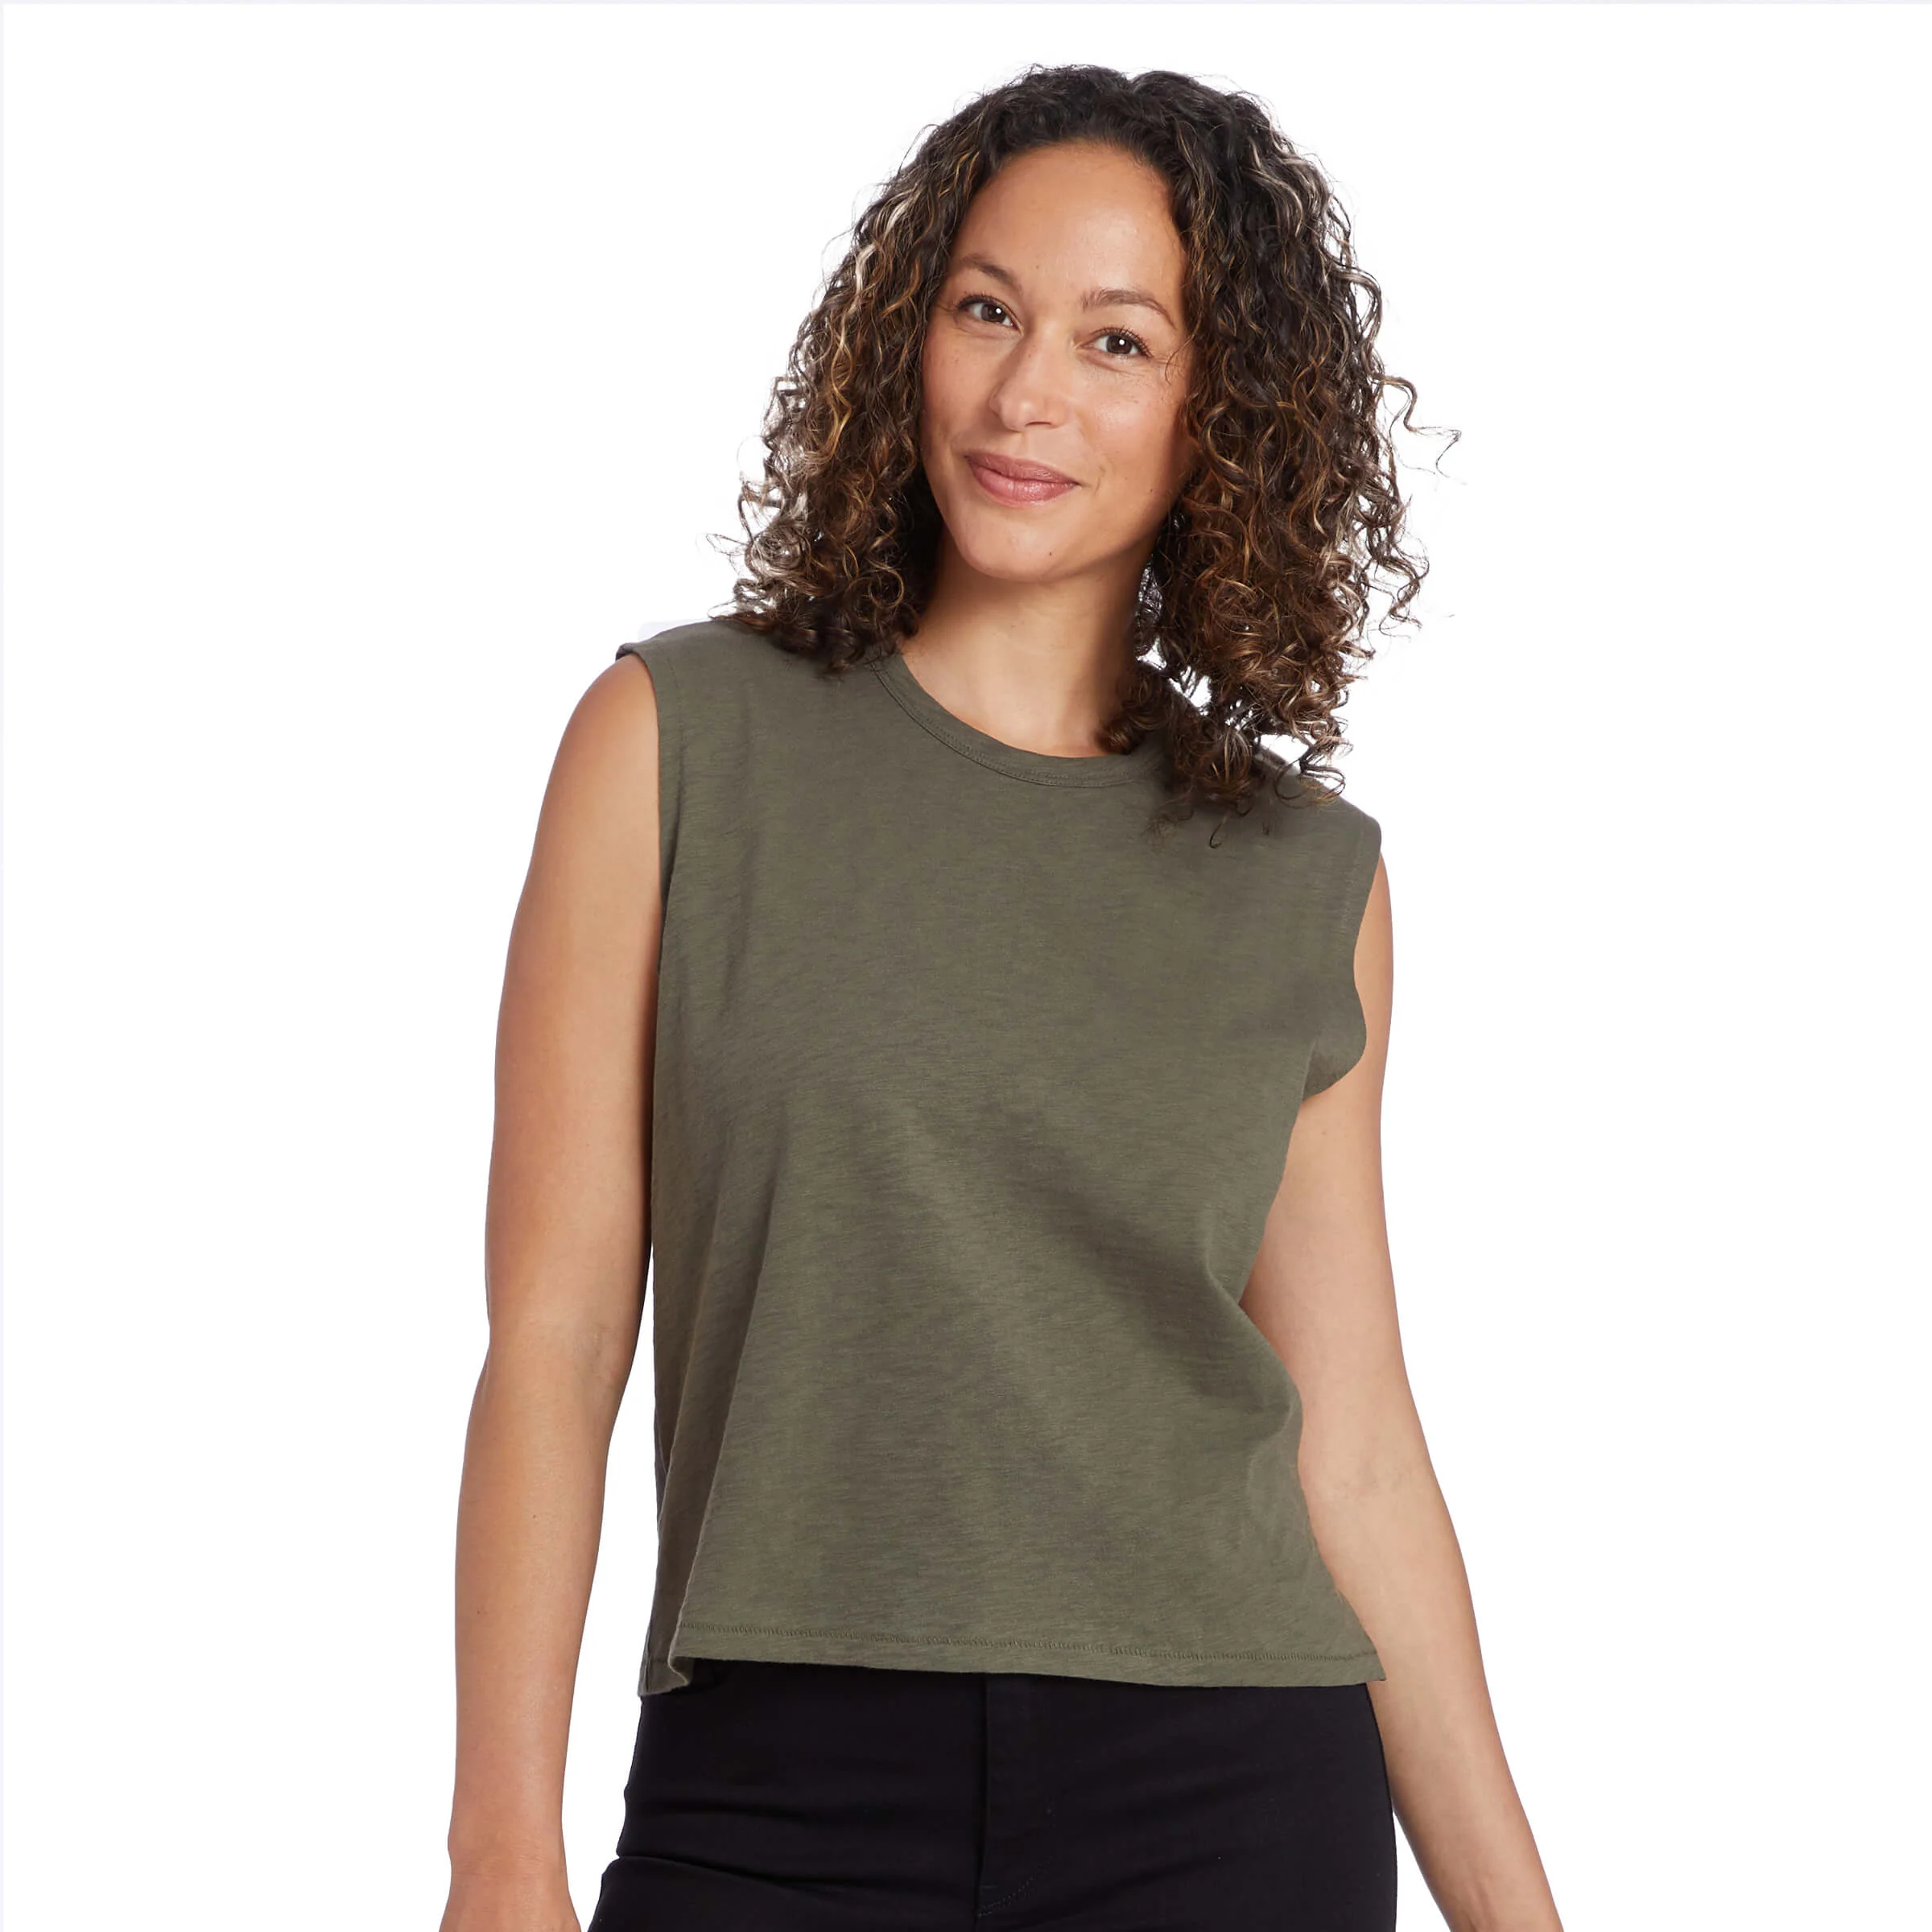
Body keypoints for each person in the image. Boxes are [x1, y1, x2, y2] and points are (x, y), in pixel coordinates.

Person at [440, 63, 1564, 1932]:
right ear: (911, 334)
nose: (1028, 392)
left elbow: (1354, 1444)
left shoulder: (1305, 877)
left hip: (1226, 1800)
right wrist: (500, 1857)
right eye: (986, 311)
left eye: (1119, 342)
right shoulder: (674, 745)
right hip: (773, 1795)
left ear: (1223, 412)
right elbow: (553, 1340)